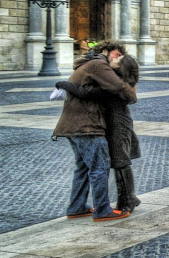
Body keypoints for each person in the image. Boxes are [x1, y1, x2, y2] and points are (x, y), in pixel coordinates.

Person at [52, 40, 137, 222]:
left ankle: (76, 207)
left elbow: (88, 92)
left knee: (82, 168)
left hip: (71, 126)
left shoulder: (88, 65)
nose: (118, 58)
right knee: (99, 168)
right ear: (105, 51)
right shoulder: (99, 63)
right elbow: (119, 87)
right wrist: (132, 94)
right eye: (116, 54)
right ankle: (102, 210)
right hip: (87, 126)